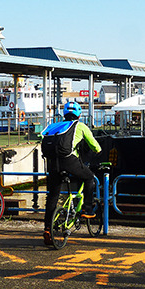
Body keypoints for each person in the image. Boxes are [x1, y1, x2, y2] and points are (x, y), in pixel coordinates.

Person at [42, 101, 101, 246]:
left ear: (64, 114)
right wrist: (96, 153)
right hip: (68, 161)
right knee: (89, 178)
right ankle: (87, 208)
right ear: (79, 114)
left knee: (53, 196)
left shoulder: (54, 126)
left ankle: (47, 229)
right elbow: (96, 147)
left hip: (52, 163)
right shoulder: (80, 126)